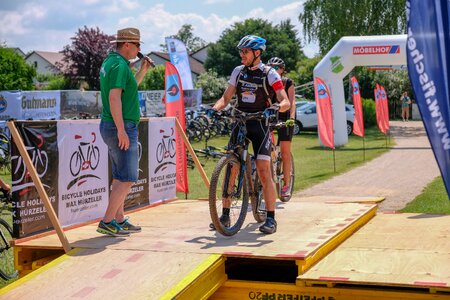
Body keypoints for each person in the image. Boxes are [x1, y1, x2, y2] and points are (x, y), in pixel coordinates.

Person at [209, 35, 290, 234]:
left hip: (260, 124)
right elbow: (226, 97)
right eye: (241, 51)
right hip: (240, 120)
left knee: (263, 169)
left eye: (245, 51)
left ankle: (270, 218)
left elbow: (285, 100)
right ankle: (226, 214)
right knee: (231, 168)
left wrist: (276, 107)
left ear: (257, 53)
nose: (241, 55)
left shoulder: (270, 74)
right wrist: (215, 109)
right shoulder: (238, 71)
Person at [97, 27, 153, 237]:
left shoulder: (112, 62)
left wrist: (143, 71)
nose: (139, 50)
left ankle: (118, 219)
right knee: (128, 177)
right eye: (138, 45)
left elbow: (128, 91)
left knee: (120, 176)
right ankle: (107, 221)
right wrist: (121, 130)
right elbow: (114, 98)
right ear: (127, 45)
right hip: (120, 126)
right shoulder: (120, 65)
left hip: (111, 125)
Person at [267, 57, 295, 198]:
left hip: (286, 117)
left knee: (285, 152)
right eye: (272, 67)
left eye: (277, 68)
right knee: (267, 148)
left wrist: (291, 118)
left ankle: (286, 185)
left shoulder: (287, 82)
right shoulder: (267, 82)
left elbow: (292, 101)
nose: (275, 70)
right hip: (272, 116)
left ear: (283, 70)